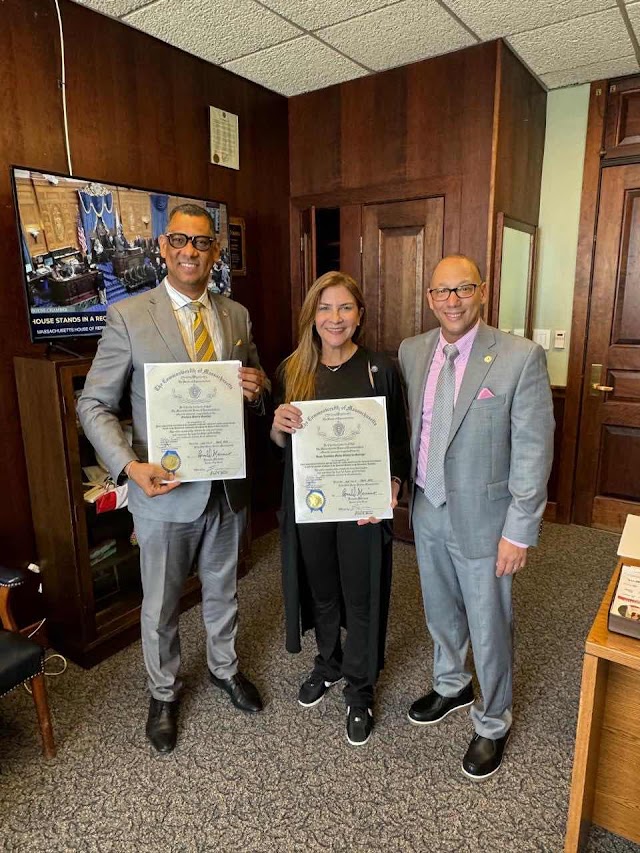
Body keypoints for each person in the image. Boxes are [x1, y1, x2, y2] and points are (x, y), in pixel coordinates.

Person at [78, 203, 269, 755]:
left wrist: (256, 389)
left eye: (202, 242)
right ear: (163, 247)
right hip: (162, 493)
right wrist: (128, 467)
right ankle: (163, 691)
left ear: (214, 251)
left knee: (223, 589)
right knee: (160, 603)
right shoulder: (129, 316)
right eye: (180, 241)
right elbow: (93, 404)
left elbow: (250, 384)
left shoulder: (236, 316)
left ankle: (224, 669)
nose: (191, 251)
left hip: (225, 486)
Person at [398, 254, 554, 780]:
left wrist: (520, 530)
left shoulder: (519, 357)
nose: (452, 301)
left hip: (488, 520)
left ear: (482, 292)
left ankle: (492, 720)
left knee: (489, 623)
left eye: (463, 289)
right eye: (441, 291)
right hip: (428, 506)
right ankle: (451, 684)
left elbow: (533, 451)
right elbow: (408, 429)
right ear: (429, 298)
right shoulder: (412, 351)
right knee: (439, 607)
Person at [271, 271, 409, 746]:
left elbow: (398, 440)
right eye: (325, 308)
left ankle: (360, 688)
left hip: (360, 507)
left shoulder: (379, 369)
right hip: (310, 505)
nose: (335, 318)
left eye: (345, 308)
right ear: (312, 316)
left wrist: (392, 483)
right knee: (322, 590)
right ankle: (328, 662)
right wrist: (278, 424)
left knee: (362, 595)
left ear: (360, 316)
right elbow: (280, 444)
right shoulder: (293, 369)